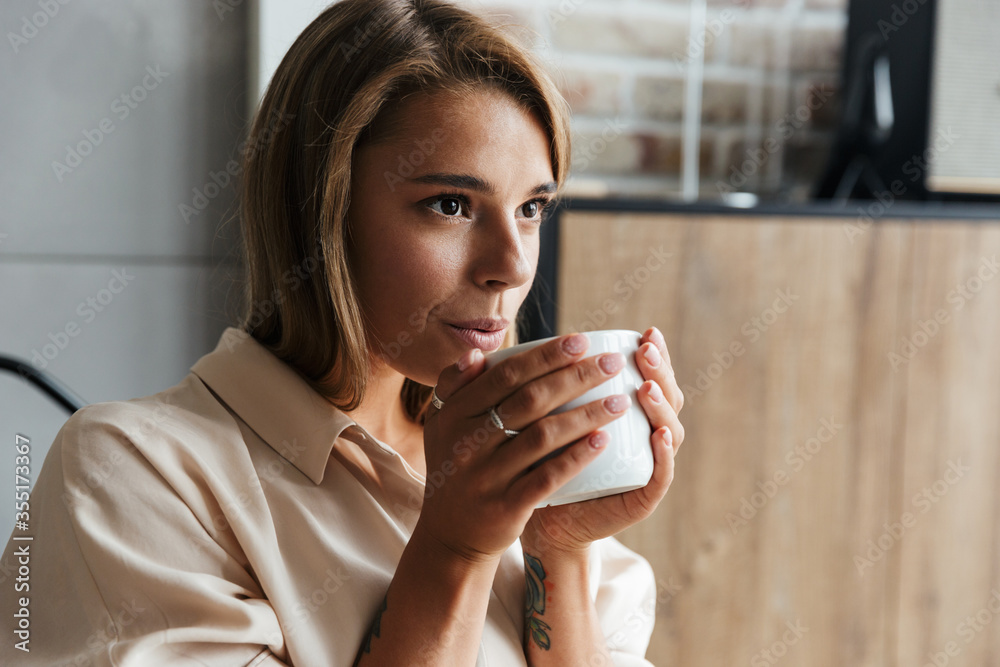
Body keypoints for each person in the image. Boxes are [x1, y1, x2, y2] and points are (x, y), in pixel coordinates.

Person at [0, 0, 685, 664]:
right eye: (450, 205)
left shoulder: (533, 495)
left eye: (532, 207)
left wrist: (558, 546)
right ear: (323, 213)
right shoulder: (129, 475)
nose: (511, 265)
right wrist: (453, 550)